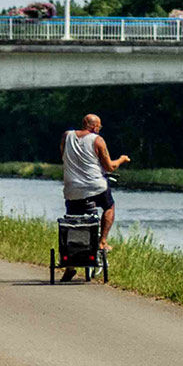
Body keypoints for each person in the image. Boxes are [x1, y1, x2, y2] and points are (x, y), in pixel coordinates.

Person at [60, 114, 130, 278]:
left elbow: (63, 155)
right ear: (93, 126)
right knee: (109, 206)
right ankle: (102, 242)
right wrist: (121, 159)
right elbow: (110, 167)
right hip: (95, 187)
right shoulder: (97, 140)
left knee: (73, 221)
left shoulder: (66, 136)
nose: (99, 129)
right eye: (99, 126)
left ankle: (70, 263)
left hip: (72, 189)